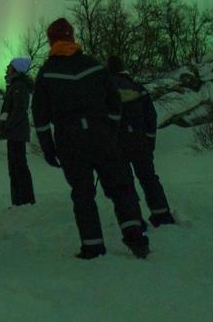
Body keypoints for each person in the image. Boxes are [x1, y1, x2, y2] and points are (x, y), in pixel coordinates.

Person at [33, 18, 150, 260]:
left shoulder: (47, 73)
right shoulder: (94, 65)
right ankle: (135, 236)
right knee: (120, 187)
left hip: (70, 141)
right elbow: (114, 102)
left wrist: (48, 148)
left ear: (51, 41)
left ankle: (93, 245)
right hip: (102, 138)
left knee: (82, 193)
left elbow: (41, 117)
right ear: (72, 38)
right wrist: (110, 128)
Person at [106, 56, 174, 227]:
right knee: (148, 177)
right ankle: (162, 214)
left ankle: (134, 221)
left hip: (117, 144)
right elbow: (151, 116)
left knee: (125, 182)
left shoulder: (105, 91)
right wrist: (150, 140)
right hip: (140, 141)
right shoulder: (138, 89)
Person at [0, 58, 36, 206]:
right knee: (14, 168)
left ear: (16, 69)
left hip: (16, 133)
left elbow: (19, 109)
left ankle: (25, 201)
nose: (7, 69)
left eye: (9, 67)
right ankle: (18, 202)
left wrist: (7, 125)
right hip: (13, 132)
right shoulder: (14, 85)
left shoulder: (18, 86)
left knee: (19, 167)